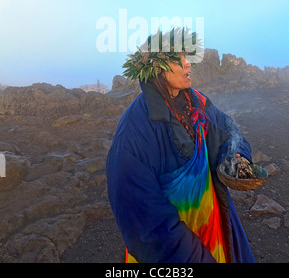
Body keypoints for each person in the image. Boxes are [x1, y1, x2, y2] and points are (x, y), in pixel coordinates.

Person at [106, 28, 255, 263]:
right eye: (179, 58)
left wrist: (236, 157)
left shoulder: (198, 103)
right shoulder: (133, 133)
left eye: (187, 56)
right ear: (156, 68)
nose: (188, 64)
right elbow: (146, 226)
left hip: (213, 231)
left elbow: (229, 131)